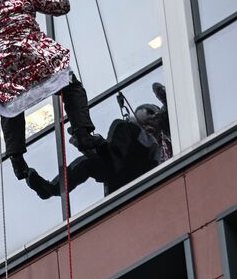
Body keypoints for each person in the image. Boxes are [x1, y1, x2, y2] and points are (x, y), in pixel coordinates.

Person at [0, 0, 106, 181]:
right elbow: (62, 5)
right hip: (38, 57)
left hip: (8, 69)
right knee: (70, 85)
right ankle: (83, 133)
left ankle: (17, 160)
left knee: (9, 109)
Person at [23, 83, 171, 200]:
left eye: (153, 116)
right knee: (88, 163)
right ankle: (51, 189)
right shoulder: (134, 133)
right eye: (148, 118)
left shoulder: (157, 139)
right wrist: (90, 147)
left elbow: (117, 157)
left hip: (138, 169)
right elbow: (114, 157)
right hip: (124, 172)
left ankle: (93, 143)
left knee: (120, 129)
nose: (151, 120)